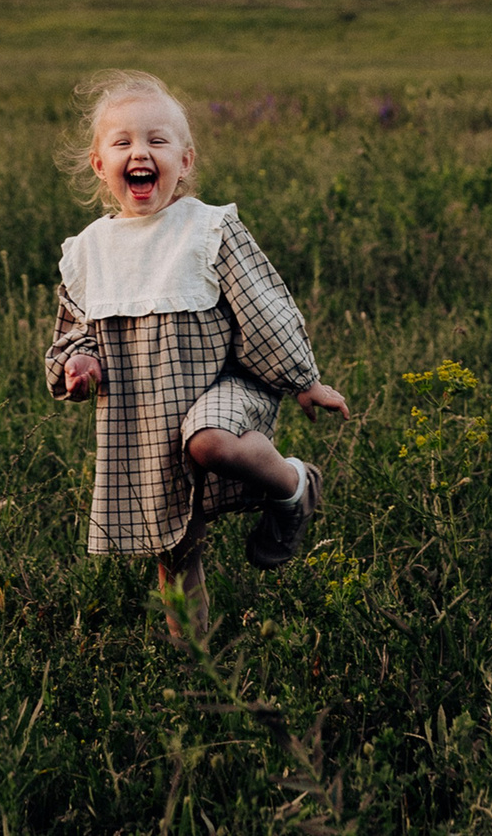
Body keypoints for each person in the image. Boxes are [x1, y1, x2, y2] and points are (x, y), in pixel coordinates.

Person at [44, 70, 350, 640]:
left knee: (207, 441)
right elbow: (72, 332)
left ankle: (293, 486)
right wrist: (78, 364)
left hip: (228, 384)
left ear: (184, 161)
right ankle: (194, 657)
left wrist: (303, 378)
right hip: (143, 418)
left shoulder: (207, 229)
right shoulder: (89, 251)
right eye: (124, 142)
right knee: (174, 547)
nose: (141, 152)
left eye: (158, 141)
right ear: (98, 164)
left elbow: (264, 309)